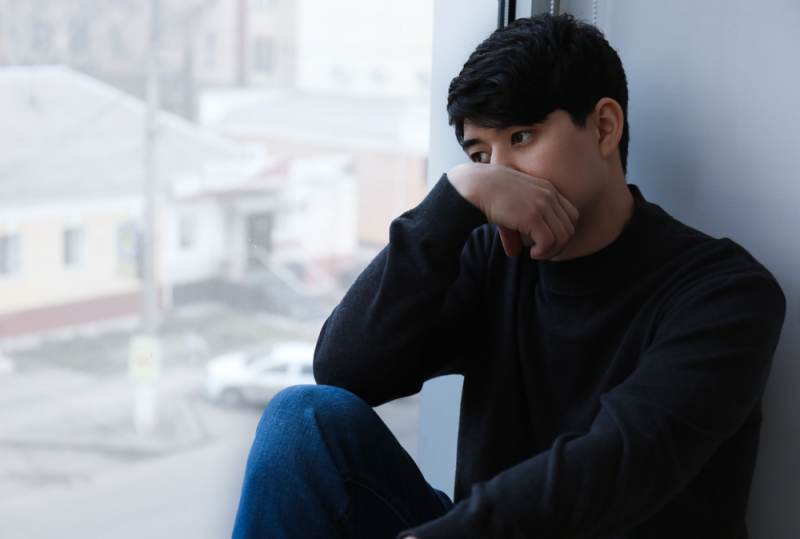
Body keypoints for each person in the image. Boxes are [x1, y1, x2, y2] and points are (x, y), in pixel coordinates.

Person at [231, 13, 786, 539]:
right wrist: (451, 201)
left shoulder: (725, 294)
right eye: (480, 153)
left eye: (521, 137)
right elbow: (346, 370)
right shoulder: (491, 260)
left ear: (604, 127)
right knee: (301, 419)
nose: (501, 177)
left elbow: (620, 465)